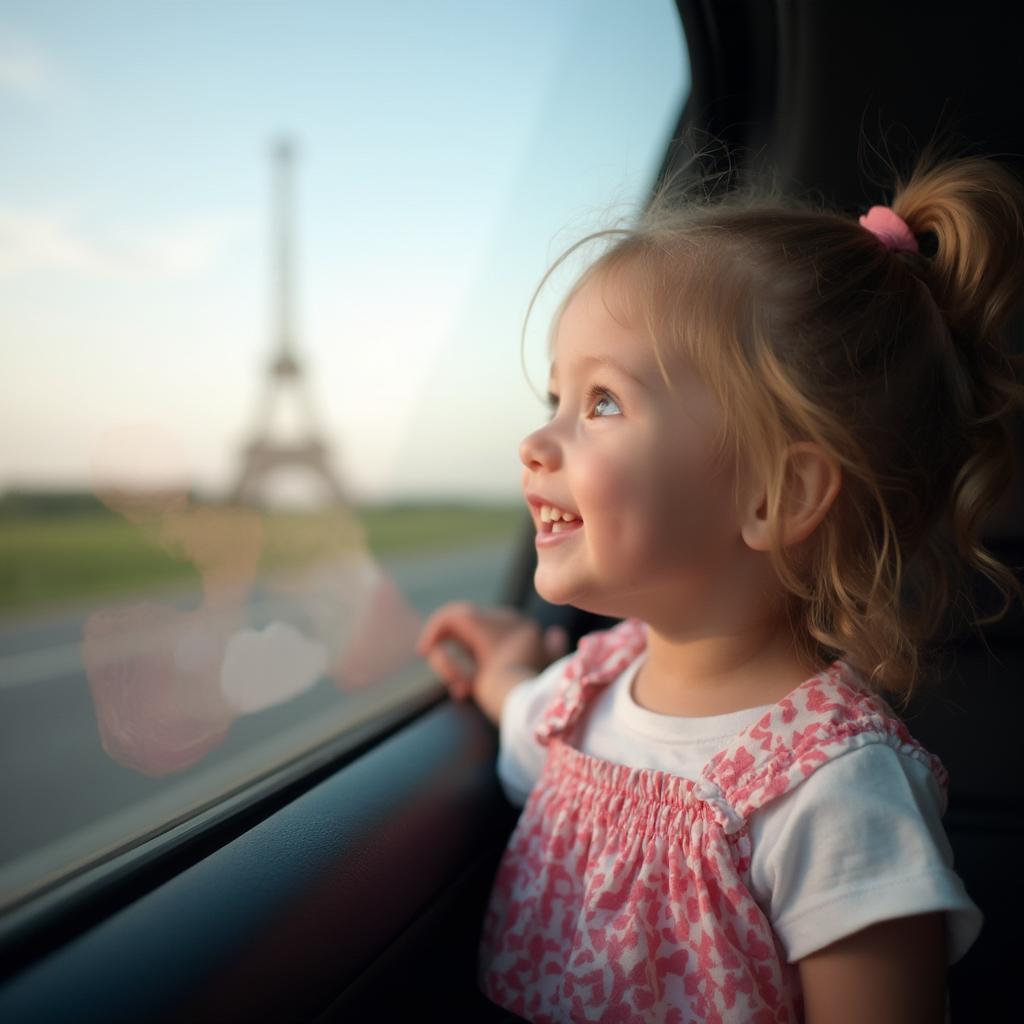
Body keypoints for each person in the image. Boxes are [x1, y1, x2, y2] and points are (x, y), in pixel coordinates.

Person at [416, 151, 1023, 1023]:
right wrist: (506, 662)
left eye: (603, 404)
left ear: (776, 495)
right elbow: (523, 710)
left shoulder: (832, 792)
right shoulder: (586, 690)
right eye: (555, 394)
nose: (536, 441)